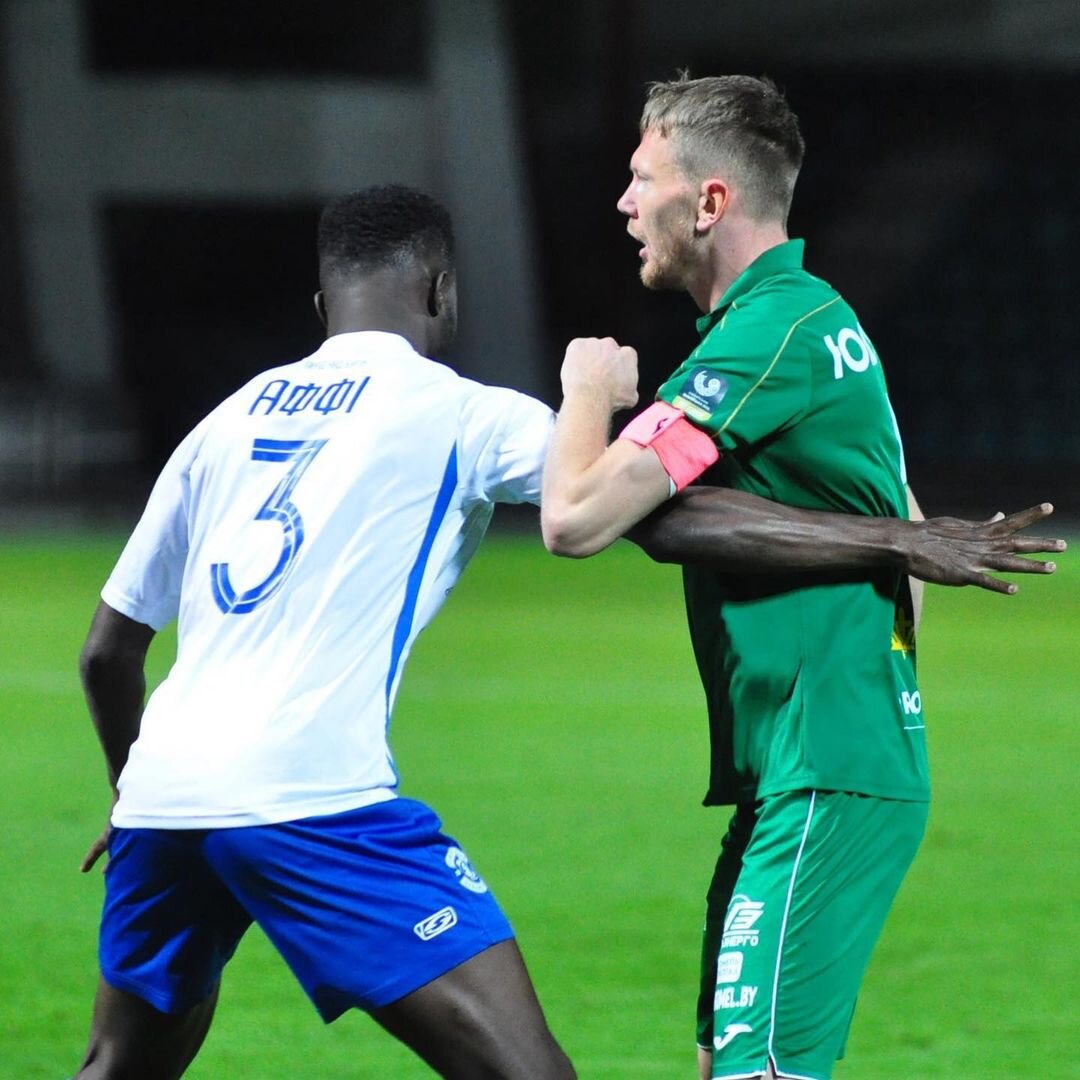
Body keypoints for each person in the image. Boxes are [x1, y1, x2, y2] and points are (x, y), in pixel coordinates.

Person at [74, 183, 1062, 1080]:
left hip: (163, 800)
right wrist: (895, 540)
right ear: (443, 292)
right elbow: (656, 512)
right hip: (306, 795)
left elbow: (108, 652)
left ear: (322, 306)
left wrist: (133, 795)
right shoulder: (458, 410)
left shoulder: (223, 421)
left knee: (118, 1071)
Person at [539, 75, 1064, 1080]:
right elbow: (900, 524)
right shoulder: (808, 325)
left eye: (642, 178)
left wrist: (584, 392)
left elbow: (573, 519)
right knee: (725, 1060)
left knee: (759, 1071)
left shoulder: (773, 331)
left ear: (709, 203)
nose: (622, 201)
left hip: (828, 765)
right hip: (809, 761)